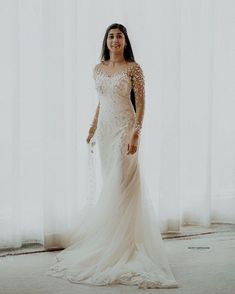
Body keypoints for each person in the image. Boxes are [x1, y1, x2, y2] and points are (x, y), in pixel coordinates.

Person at [47, 23, 178, 289]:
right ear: (106, 41)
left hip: (124, 130)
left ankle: (127, 245)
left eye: (119, 36)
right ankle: (110, 242)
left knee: (122, 184)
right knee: (111, 186)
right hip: (106, 133)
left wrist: (136, 133)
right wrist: (93, 126)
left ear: (125, 41)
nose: (115, 40)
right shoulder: (98, 69)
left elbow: (140, 104)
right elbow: (101, 101)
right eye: (111, 36)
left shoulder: (134, 68)